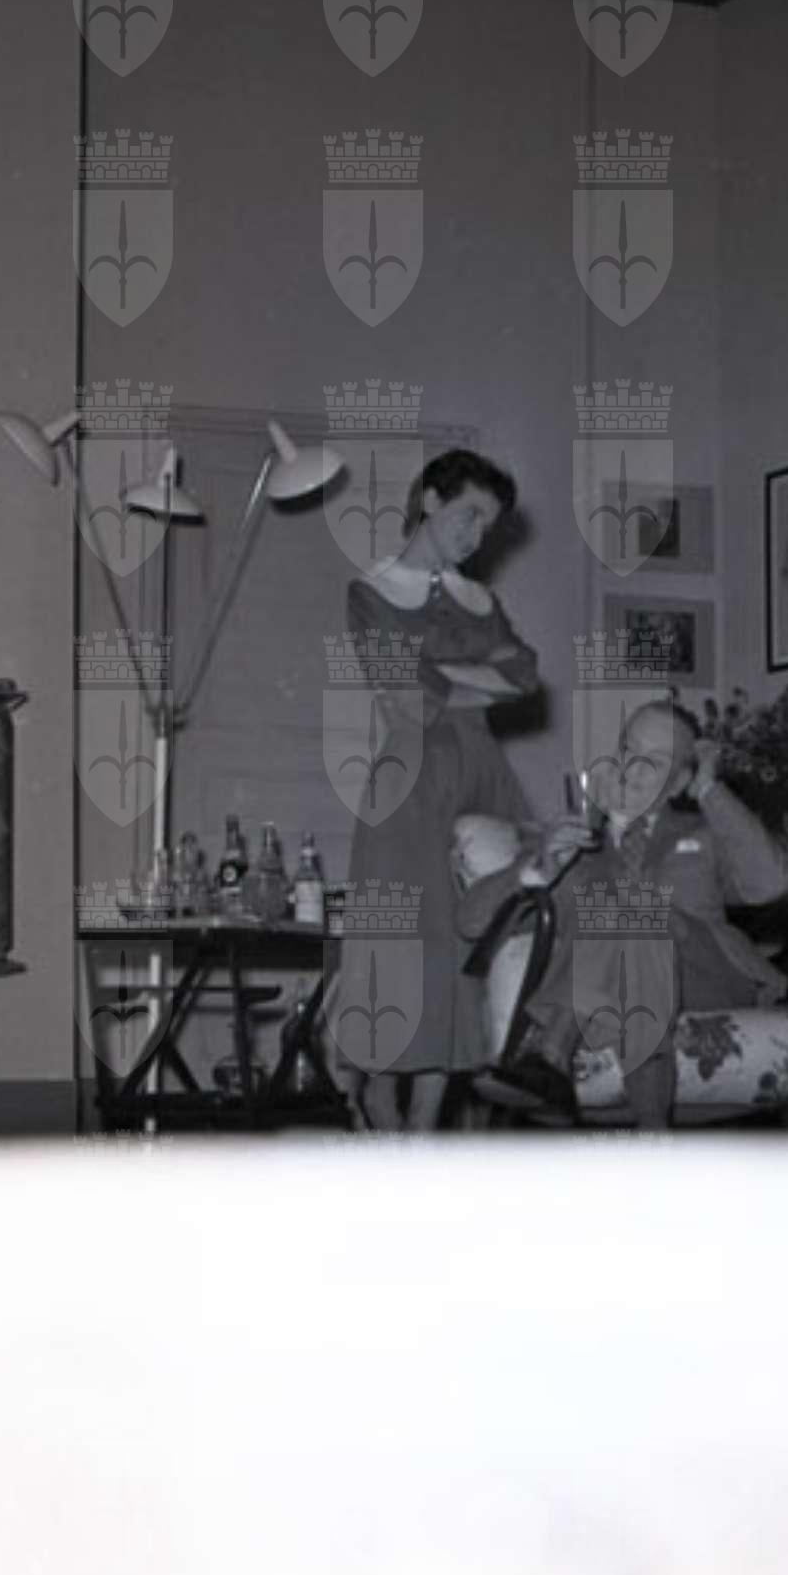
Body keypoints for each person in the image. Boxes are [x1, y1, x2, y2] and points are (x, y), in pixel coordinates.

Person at [460, 701, 788, 1128]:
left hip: (705, 978)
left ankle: (551, 1054)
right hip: (612, 994)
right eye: (627, 749)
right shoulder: (569, 845)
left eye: (655, 761)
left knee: (632, 910)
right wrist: (535, 869)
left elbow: (772, 885)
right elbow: (470, 923)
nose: (632, 768)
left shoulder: (704, 834)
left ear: (679, 782)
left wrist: (709, 788)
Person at [338, 450, 540, 1132]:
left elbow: (524, 677)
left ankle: (425, 1124)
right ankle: (378, 1094)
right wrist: (472, 675)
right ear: (429, 500)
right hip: (410, 776)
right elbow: (409, 696)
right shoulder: (370, 591)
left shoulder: (481, 600)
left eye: (489, 525)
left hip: (482, 771)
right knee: (402, 940)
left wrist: (441, 671)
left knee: (470, 941)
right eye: (469, 514)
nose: (478, 535)